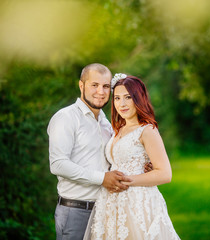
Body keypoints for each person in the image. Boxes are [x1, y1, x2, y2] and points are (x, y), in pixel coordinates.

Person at [84, 74, 180, 240]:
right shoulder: (117, 130)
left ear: (138, 98)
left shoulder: (147, 130)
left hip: (136, 201)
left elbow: (165, 174)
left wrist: (126, 181)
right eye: (117, 98)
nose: (122, 104)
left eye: (128, 97)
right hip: (111, 202)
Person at [47, 64, 132, 240]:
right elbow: (57, 164)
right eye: (94, 85)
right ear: (81, 85)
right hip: (75, 212)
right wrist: (102, 178)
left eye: (106, 86)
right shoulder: (66, 118)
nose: (100, 92)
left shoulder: (105, 122)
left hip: (104, 210)